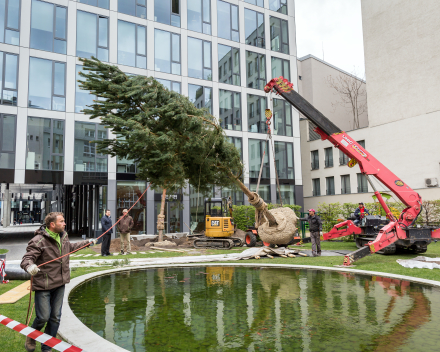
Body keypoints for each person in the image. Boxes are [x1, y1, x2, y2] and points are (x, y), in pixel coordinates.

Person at [21, 212, 96, 352]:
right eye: (62, 221)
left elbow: (70, 248)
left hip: (60, 283)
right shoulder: (38, 240)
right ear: (52, 224)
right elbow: (27, 258)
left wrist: (87, 242)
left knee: (55, 317)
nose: (65, 223)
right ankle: (31, 335)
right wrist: (29, 266)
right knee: (43, 317)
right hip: (44, 285)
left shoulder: (64, 237)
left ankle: (47, 347)